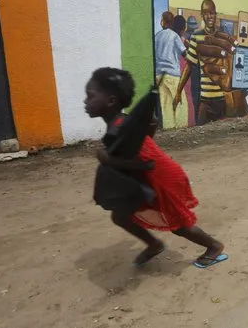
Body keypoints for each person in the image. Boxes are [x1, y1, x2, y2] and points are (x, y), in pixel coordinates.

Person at [85, 67, 227, 268]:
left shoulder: (120, 128)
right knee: (120, 216)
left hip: (162, 178)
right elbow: (152, 121)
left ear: (110, 101)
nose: (85, 101)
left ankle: (214, 246)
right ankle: (154, 244)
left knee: (178, 225)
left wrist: (107, 160)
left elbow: (143, 162)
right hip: (147, 178)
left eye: (90, 96)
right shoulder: (124, 123)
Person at [173, 0, 247, 125]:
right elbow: (189, 66)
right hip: (205, 99)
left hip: (222, 99)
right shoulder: (196, 37)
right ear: (202, 15)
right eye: (206, 13)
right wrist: (178, 91)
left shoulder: (223, 37)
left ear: (215, 14)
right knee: (201, 134)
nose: (209, 16)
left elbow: (233, 65)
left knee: (221, 138)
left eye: (211, 13)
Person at [154, 15, 188, 129]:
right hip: (172, 76)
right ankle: (181, 130)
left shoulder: (157, 36)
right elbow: (185, 54)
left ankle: (169, 131)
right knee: (180, 106)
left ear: (163, 22)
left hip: (159, 75)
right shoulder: (174, 36)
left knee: (166, 107)